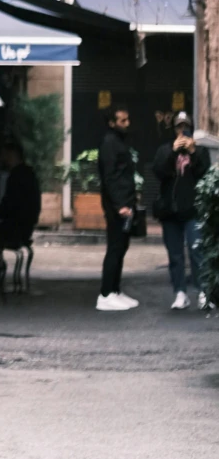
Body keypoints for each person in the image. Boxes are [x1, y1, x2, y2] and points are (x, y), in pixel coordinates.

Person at [150, 112, 209, 311]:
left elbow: (205, 175)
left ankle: (203, 291)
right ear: (173, 129)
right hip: (170, 212)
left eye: (186, 127)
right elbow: (158, 171)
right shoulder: (164, 150)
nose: (182, 131)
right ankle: (180, 293)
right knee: (175, 255)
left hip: (192, 211)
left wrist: (192, 153)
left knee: (196, 251)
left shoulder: (200, 151)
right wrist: (172, 153)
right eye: (179, 127)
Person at [96, 105, 139, 313]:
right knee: (115, 247)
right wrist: (120, 205)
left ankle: (114, 291)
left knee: (121, 247)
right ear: (112, 123)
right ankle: (105, 294)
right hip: (117, 207)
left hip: (124, 204)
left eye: (127, 119)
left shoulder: (117, 142)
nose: (127, 124)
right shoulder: (109, 144)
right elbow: (110, 178)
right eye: (123, 121)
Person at [0, 141, 42, 254]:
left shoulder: (17, 175)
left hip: (16, 229)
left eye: (4, 154)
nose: (2, 158)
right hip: (25, 228)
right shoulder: (28, 173)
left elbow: (8, 203)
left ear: (12, 154)